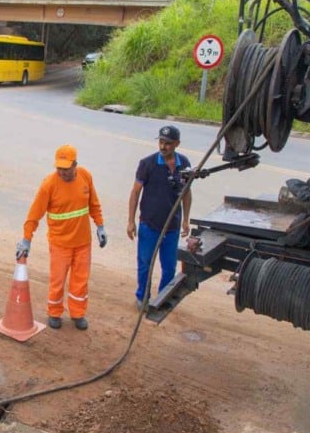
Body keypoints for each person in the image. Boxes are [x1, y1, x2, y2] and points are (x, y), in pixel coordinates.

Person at [16, 144, 107, 331]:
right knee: (57, 281)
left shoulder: (85, 177)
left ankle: (78, 313)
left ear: (75, 164)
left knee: (80, 281)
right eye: (59, 168)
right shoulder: (49, 185)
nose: (63, 172)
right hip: (60, 244)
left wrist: (100, 226)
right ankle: (54, 312)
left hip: (83, 243)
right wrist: (26, 239)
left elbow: (94, 204)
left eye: (66, 168)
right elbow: (34, 214)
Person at [126, 125, 192, 309]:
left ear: (177, 144)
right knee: (145, 264)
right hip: (149, 225)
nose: (163, 147)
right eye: (161, 142)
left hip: (172, 227)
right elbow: (135, 192)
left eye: (168, 144)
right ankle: (143, 297)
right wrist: (131, 221)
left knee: (169, 267)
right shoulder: (147, 164)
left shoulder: (184, 164)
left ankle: (163, 297)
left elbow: (186, 193)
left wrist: (186, 220)